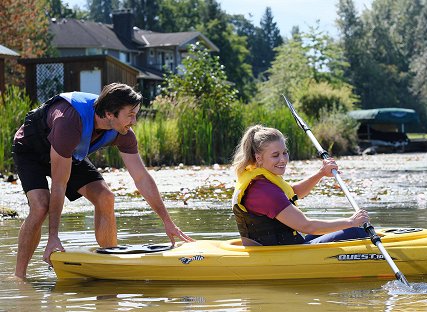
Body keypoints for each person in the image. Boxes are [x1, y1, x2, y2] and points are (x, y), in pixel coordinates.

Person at [12, 83, 194, 279]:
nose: (134, 121)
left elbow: (141, 177)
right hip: (31, 149)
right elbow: (59, 183)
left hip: (68, 153)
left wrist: (168, 221)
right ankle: (19, 276)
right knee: (40, 206)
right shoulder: (69, 122)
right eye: (130, 115)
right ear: (109, 114)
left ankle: (111, 267)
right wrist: (53, 237)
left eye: (136, 114)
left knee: (105, 197)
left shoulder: (123, 133)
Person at [231, 125, 369, 246]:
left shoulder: (260, 182)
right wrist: (351, 222)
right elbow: (306, 225)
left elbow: (293, 192)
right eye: (275, 155)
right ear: (258, 158)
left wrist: (320, 173)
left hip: (284, 246)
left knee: (346, 229)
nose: (283, 159)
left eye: (285, 153)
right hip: (281, 255)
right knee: (355, 231)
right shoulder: (264, 191)